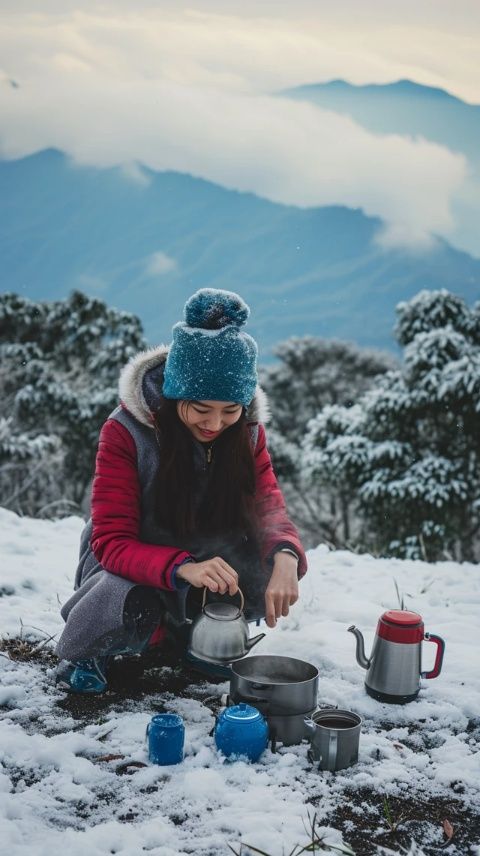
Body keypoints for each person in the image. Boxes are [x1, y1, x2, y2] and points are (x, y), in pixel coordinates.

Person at [56, 288, 307, 693]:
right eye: (201, 409)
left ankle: (191, 638)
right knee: (124, 596)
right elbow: (111, 542)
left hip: (201, 550)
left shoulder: (246, 433)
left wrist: (286, 555)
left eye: (230, 410)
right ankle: (98, 650)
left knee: (262, 563)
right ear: (175, 396)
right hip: (132, 557)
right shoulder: (125, 432)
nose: (215, 423)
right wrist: (181, 567)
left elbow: (268, 506)